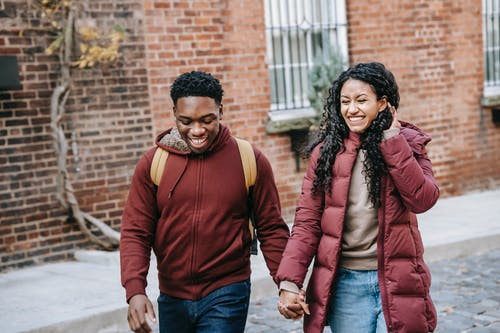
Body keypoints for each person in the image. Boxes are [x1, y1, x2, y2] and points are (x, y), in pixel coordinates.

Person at [120, 71, 290, 333]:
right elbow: (135, 232)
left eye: (207, 120)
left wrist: (286, 283)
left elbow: (271, 228)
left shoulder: (249, 160)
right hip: (172, 294)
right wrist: (135, 290)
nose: (197, 130)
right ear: (174, 113)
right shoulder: (153, 163)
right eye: (186, 121)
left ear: (220, 112)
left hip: (227, 291)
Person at [276, 62, 439, 333]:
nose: (352, 109)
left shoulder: (407, 142)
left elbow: (422, 199)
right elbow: (306, 222)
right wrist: (290, 282)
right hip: (346, 284)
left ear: (382, 103)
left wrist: (391, 140)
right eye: (345, 101)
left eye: (362, 100)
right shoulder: (326, 153)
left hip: (397, 278)